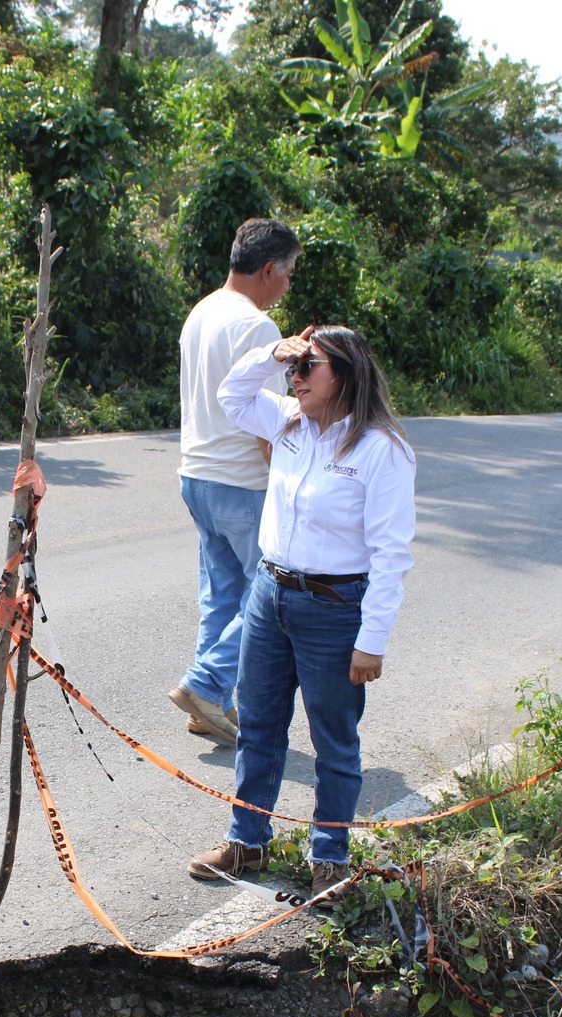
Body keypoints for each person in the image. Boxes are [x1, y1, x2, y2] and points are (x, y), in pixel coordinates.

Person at [186, 325, 417, 899]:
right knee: (259, 724)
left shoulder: (380, 448)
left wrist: (374, 639)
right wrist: (272, 351)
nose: (296, 376)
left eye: (308, 365)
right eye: (294, 367)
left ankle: (330, 858)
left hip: (336, 608)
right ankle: (247, 842)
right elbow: (230, 397)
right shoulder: (288, 421)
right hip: (269, 594)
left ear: (345, 373)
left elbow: (392, 554)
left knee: (334, 738)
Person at [168, 218, 300, 746]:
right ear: (268, 269)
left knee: (222, 596)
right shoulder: (260, 330)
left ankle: (211, 703)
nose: (289, 284)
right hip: (242, 480)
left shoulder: (201, 311)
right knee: (269, 595)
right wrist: (289, 481)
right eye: (288, 273)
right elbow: (266, 420)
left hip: (196, 473)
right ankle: (204, 684)